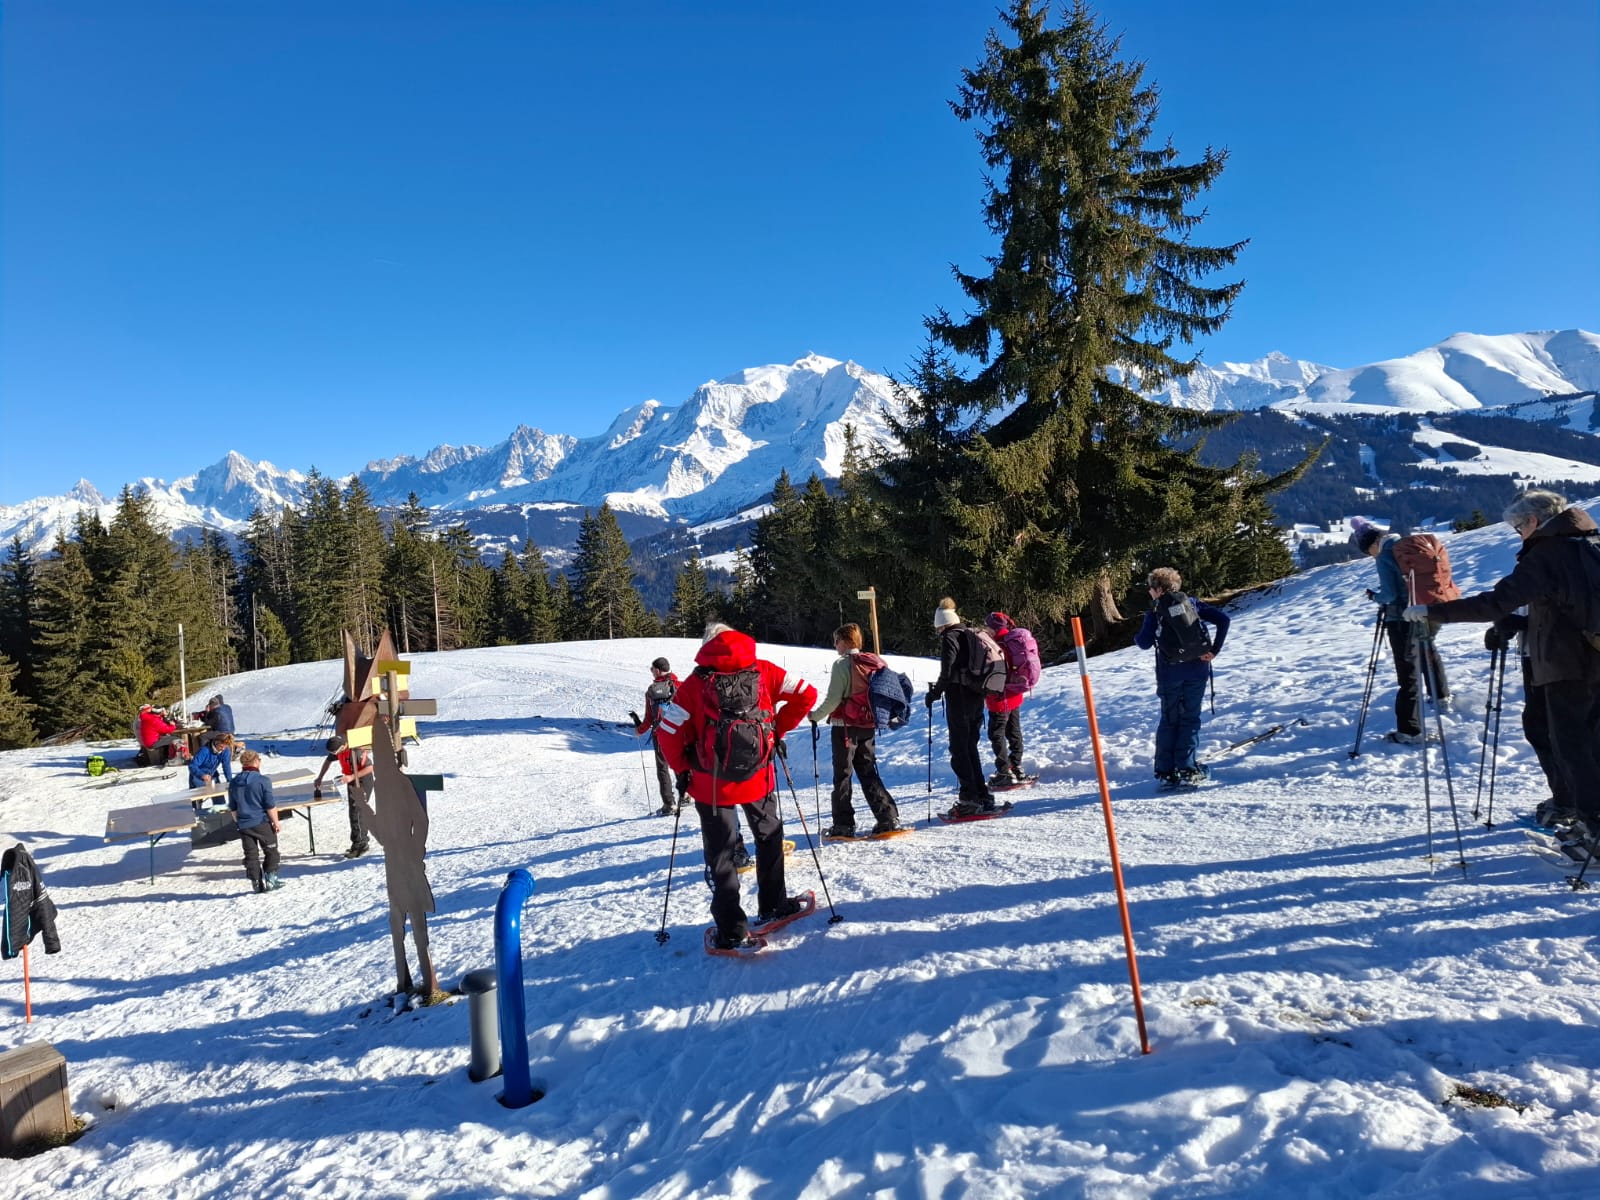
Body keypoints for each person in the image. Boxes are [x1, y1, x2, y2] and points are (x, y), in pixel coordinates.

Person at [1405, 490, 1600, 847]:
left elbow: (1495, 602)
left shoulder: (1547, 553)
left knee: (1573, 748)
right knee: (1590, 744)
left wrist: (1433, 612)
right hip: (1592, 656)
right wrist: (1518, 623)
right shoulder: (1590, 544)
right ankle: (1587, 819)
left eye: (1518, 527)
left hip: (1566, 665)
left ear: (1533, 521)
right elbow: (1568, 607)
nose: (1518, 534)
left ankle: (1594, 831)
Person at [656, 622, 816, 949]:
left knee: (722, 853)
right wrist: (776, 732)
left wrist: (683, 768)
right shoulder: (765, 671)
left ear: (707, 646)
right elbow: (807, 694)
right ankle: (774, 905)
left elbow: (667, 732)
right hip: (759, 776)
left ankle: (732, 930)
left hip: (711, 784)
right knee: (769, 836)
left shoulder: (694, 685)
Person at [1354, 521, 1451, 744]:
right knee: (1428, 652)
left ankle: (1410, 730)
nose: (1371, 556)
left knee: (1408, 674)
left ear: (1373, 544)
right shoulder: (1409, 548)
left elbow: (1389, 595)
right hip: (1426, 611)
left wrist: (1375, 597)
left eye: (1369, 552)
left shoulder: (1385, 556)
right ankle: (1441, 696)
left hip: (1401, 619)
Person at [1134, 568, 1230, 790]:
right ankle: (1187, 769)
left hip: (1169, 675)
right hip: (1197, 671)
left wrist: (1139, 635)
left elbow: (1144, 643)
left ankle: (1166, 773)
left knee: (1170, 720)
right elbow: (1223, 620)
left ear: (1159, 589)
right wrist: (1214, 650)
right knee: (1190, 719)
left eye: (1151, 588)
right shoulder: (1192, 603)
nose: (1149, 591)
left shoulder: (1155, 611)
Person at [809, 622, 902, 837]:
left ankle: (844, 825)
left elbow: (833, 699)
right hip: (867, 724)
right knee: (868, 771)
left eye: (836, 641)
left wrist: (815, 716)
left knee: (843, 775)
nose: (835, 645)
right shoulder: (874, 662)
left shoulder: (842, 664)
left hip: (845, 727)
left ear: (844, 641)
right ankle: (888, 818)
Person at [1486, 612, 1573, 828]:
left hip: (1563, 657)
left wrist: (1525, 623)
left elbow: (1571, 610)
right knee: (1539, 727)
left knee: (1562, 731)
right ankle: (1567, 798)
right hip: (1536, 654)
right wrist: (1506, 625)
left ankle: (1573, 803)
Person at [924, 598, 996, 815]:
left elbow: (947, 672)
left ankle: (969, 799)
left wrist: (935, 693)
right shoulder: (970, 634)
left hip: (960, 698)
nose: (938, 632)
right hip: (976, 696)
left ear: (942, 625)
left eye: (938, 629)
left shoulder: (950, 638)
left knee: (959, 749)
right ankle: (982, 795)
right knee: (970, 747)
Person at [983, 612, 1035, 787]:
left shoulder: (995, 645)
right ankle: (1017, 767)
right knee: (1014, 731)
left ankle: (1004, 772)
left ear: (993, 628)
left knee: (996, 733)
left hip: (1000, 697)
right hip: (1015, 694)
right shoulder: (1014, 640)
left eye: (987, 626)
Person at [633, 657, 689, 817]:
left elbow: (649, 717)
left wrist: (640, 731)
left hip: (660, 733)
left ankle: (669, 804)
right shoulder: (681, 686)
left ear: (658, 670)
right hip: (680, 732)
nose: (651, 672)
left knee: (662, 767)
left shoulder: (651, 691)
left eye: (652, 669)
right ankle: (685, 794)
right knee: (680, 762)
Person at [228, 749, 284, 893]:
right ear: (255, 761)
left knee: (251, 855)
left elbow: (233, 807)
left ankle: (256, 881)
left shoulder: (234, 782)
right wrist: (276, 822)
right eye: (259, 760)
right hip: (261, 822)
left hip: (244, 824)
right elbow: (269, 805)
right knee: (271, 850)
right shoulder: (263, 781)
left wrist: (239, 823)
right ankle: (271, 878)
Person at [312, 733, 375, 859]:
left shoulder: (355, 752)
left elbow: (370, 767)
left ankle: (361, 844)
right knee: (354, 812)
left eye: (335, 752)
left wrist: (351, 776)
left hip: (362, 781)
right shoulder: (338, 748)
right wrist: (320, 777)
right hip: (351, 780)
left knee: (357, 812)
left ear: (342, 747)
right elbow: (328, 761)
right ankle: (359, 841)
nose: (334, 755)